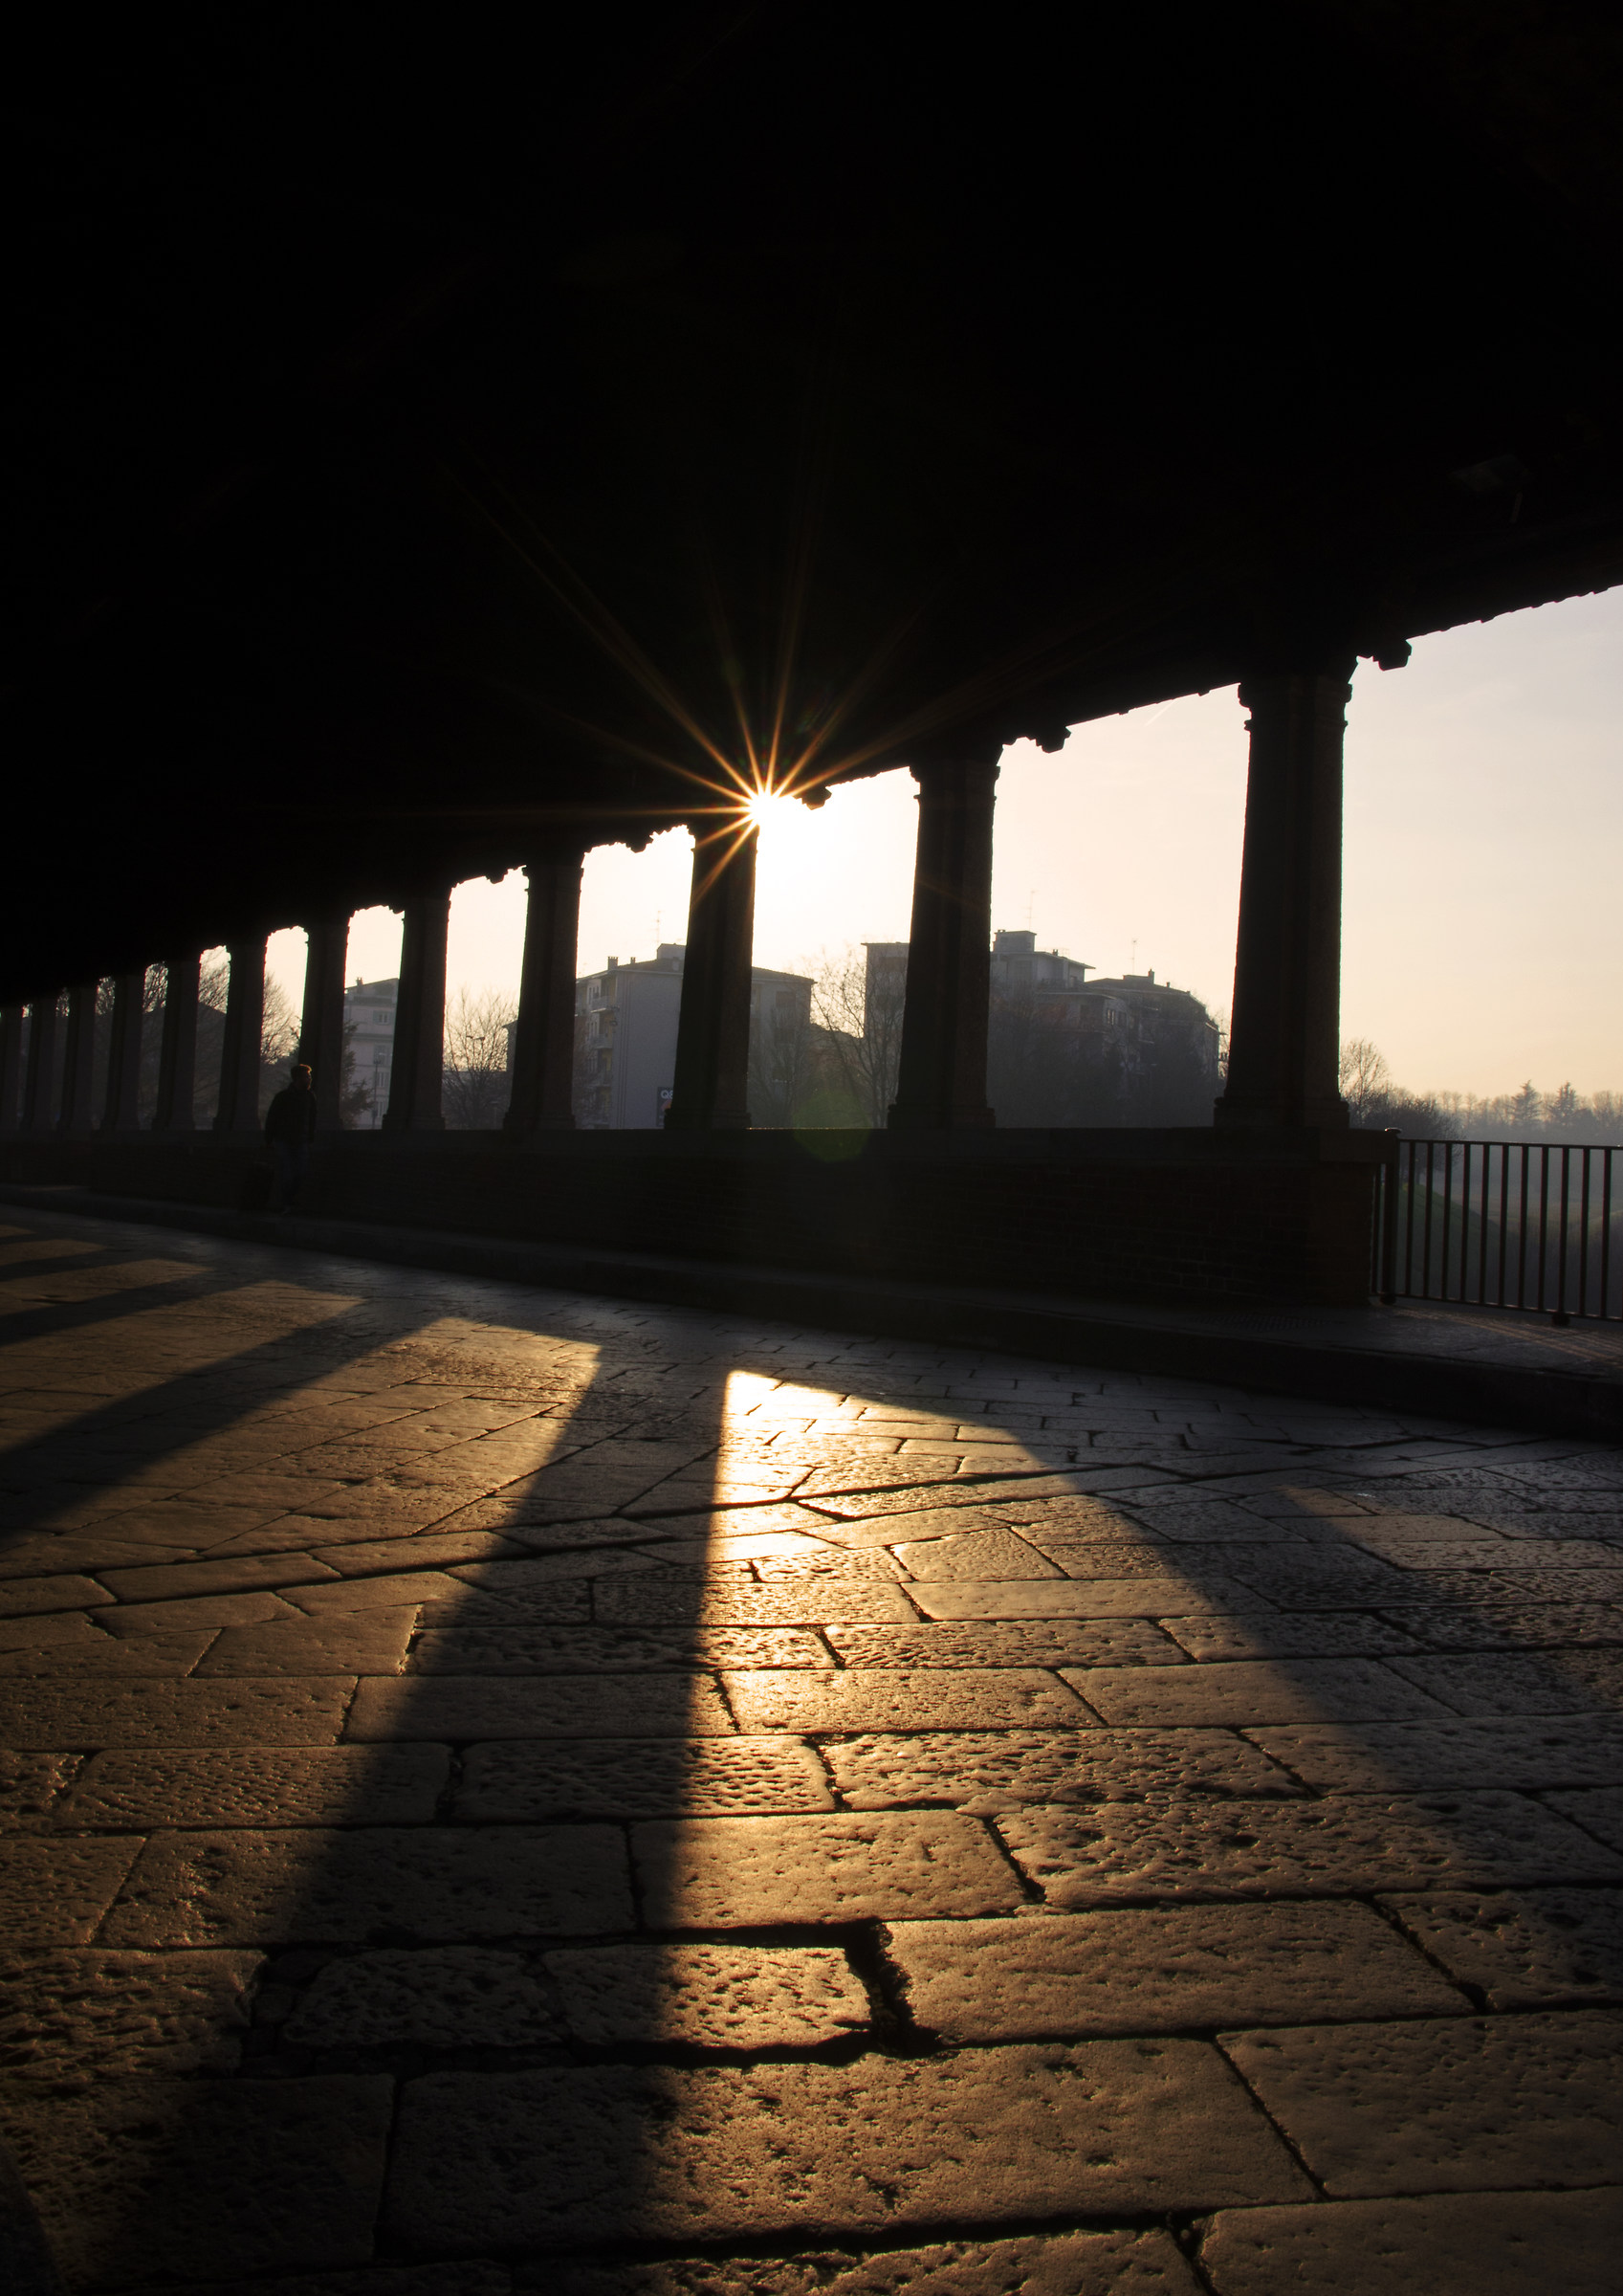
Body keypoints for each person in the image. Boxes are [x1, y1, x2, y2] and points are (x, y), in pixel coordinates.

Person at [263, 1063, 318, 1210]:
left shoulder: (309, 1097)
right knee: (288, 1173)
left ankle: (288, 1201)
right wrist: (269, 1139)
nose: (309, 1079)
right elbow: (272, 1119)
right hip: (285, 1141)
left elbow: (312, 1120)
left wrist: (310, 1139)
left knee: (300, 1173)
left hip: (301, 1141)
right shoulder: (283, 1097)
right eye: (307, 1077)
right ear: (297, 1079)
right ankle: (287, 1202)